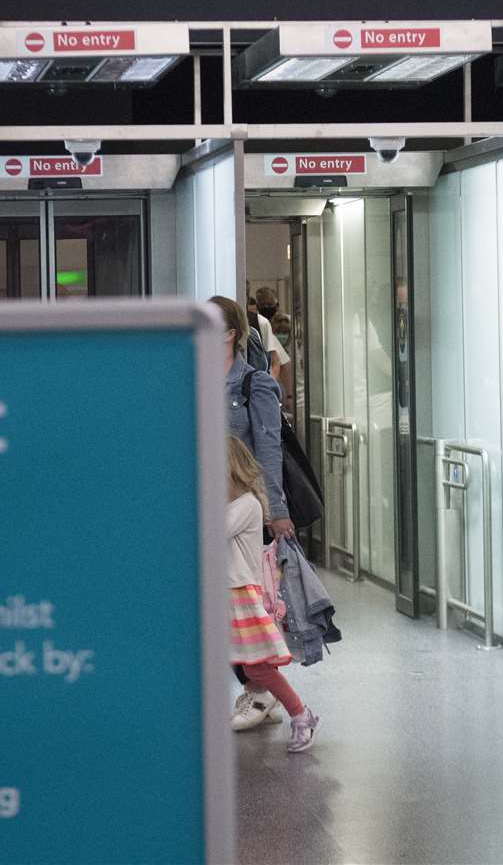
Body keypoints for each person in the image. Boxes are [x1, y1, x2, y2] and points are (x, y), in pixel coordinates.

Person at [211, 295, 296, 727]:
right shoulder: (194, 380)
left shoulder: (254, 384)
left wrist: (275, 510)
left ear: (230, 333)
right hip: (207, 510)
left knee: (246, 607)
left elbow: (268, 449)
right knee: (218, 609)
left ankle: (260, 692)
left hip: (242, 512)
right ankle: (257, 690)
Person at [223, 436, 319, 753]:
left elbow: (212, 530)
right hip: (226, 594)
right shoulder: (237, 503)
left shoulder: (246, 505)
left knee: (258, 667)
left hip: (240, 596)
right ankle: (286, 709)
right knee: (248, 666)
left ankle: (300, 714)